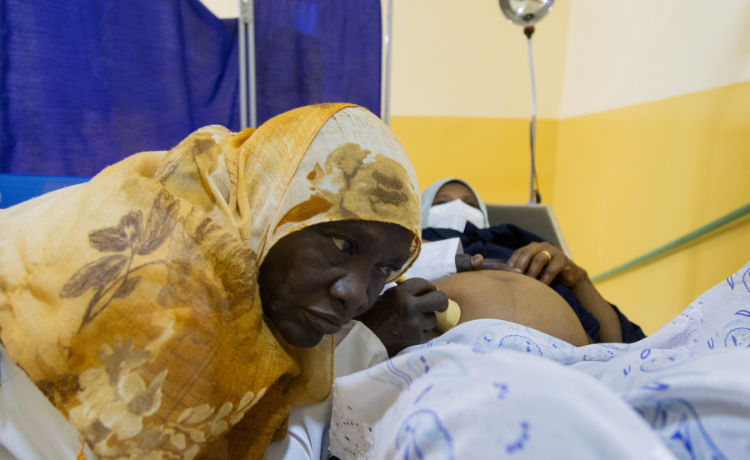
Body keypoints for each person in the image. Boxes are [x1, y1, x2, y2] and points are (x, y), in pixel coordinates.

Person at [0, 104, 446, 459]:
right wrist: (367, 343)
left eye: (385, 269)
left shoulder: (235, 244)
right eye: (342, 245)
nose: (356, 294)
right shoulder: (165, 285)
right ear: (272, 208)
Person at [416, 178, 646, 344]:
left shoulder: (518, 241)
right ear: (421, 212)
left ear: (483, 215)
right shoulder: (412, 246)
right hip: (450, 357)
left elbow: (621, 343)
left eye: (471, 205)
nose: (458, 208)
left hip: (575, 363)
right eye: (442, 203)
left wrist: (578, 280)